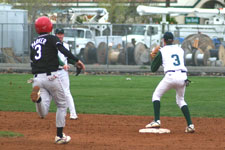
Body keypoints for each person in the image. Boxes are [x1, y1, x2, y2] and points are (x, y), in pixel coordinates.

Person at [30, 16, 85, 144]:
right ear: (49, 27)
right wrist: (77, 60)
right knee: (62, 105)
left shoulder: (33, 43)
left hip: (37, 78)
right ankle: (59, 136)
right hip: (51, 76)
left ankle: (37, 99)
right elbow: (62, 50)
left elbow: (32, 61)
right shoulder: (52, 38)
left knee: (43, 113)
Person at [146, 32, 195, 133]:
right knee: (181, 100)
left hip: (170, 77)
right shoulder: (180, 49)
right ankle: (190, 125)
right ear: (173, 40)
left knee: (156, 95)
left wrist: (154, 58)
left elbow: (153, 69)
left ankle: (157, 120)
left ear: (163, 40)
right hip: (183, 77)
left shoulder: (162, 51)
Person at [55, 28, 78, 120]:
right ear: (55, 35)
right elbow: (55, 58)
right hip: (53, 71)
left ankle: (73, 113)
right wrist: (63, 64)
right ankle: (41, 106)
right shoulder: (52, 45)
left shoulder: (66, 46)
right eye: (58, 34)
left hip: (63, 72)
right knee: (52, 93)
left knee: (66, 92)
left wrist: (76, 63)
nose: (60, 36)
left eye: (61, 34)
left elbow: (68, 58)